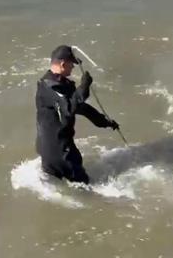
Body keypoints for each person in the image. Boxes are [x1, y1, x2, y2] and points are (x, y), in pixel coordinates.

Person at [35, 45, 119, 184]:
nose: (73, 67)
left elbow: (81, 107)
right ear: (63, 64)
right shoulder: (50, 86)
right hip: (58, 150)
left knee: (62, 187)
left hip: (52, 148)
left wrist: (104, 122)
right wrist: (84, 86)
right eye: (71, 64)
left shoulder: (60, 84)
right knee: (86, 187)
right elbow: (69, 108)